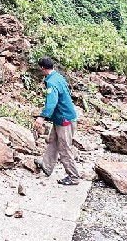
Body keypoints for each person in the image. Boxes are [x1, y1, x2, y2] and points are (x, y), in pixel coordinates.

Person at [33, 56, 80, 185]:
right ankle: (47, 166)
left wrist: (42, 117)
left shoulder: (51, 82)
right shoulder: (59, 77)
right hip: (61, 117)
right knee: (53, 141)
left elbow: (51, 103)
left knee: (64, 147)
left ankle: (73, 176)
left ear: (42, 68)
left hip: (64, 119)